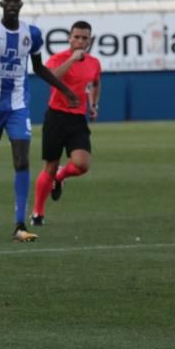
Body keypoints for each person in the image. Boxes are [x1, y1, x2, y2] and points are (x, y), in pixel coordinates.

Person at [0, 0, 78, 243]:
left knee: (22, 161)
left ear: (21, 4)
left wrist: (65, 89)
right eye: (8, 0)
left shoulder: (32, 34)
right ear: (1, 4)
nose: (12, 4)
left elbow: (38, 68)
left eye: (16, 1)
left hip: (18, 105)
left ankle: (19, 225)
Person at [31, 21, 102, 225]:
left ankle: (61, 176)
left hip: (77, 119)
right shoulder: (58, 58)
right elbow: (51, 77)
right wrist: (72, 59)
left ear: (90, 40)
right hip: (56, 117)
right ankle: (37, 213)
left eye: (84, 38)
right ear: (70, 38)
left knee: (82, 164)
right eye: (76, 37)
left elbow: (96, 83)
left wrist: (94, 104)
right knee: (49, 167)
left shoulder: (94, 63)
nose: (80, 41)